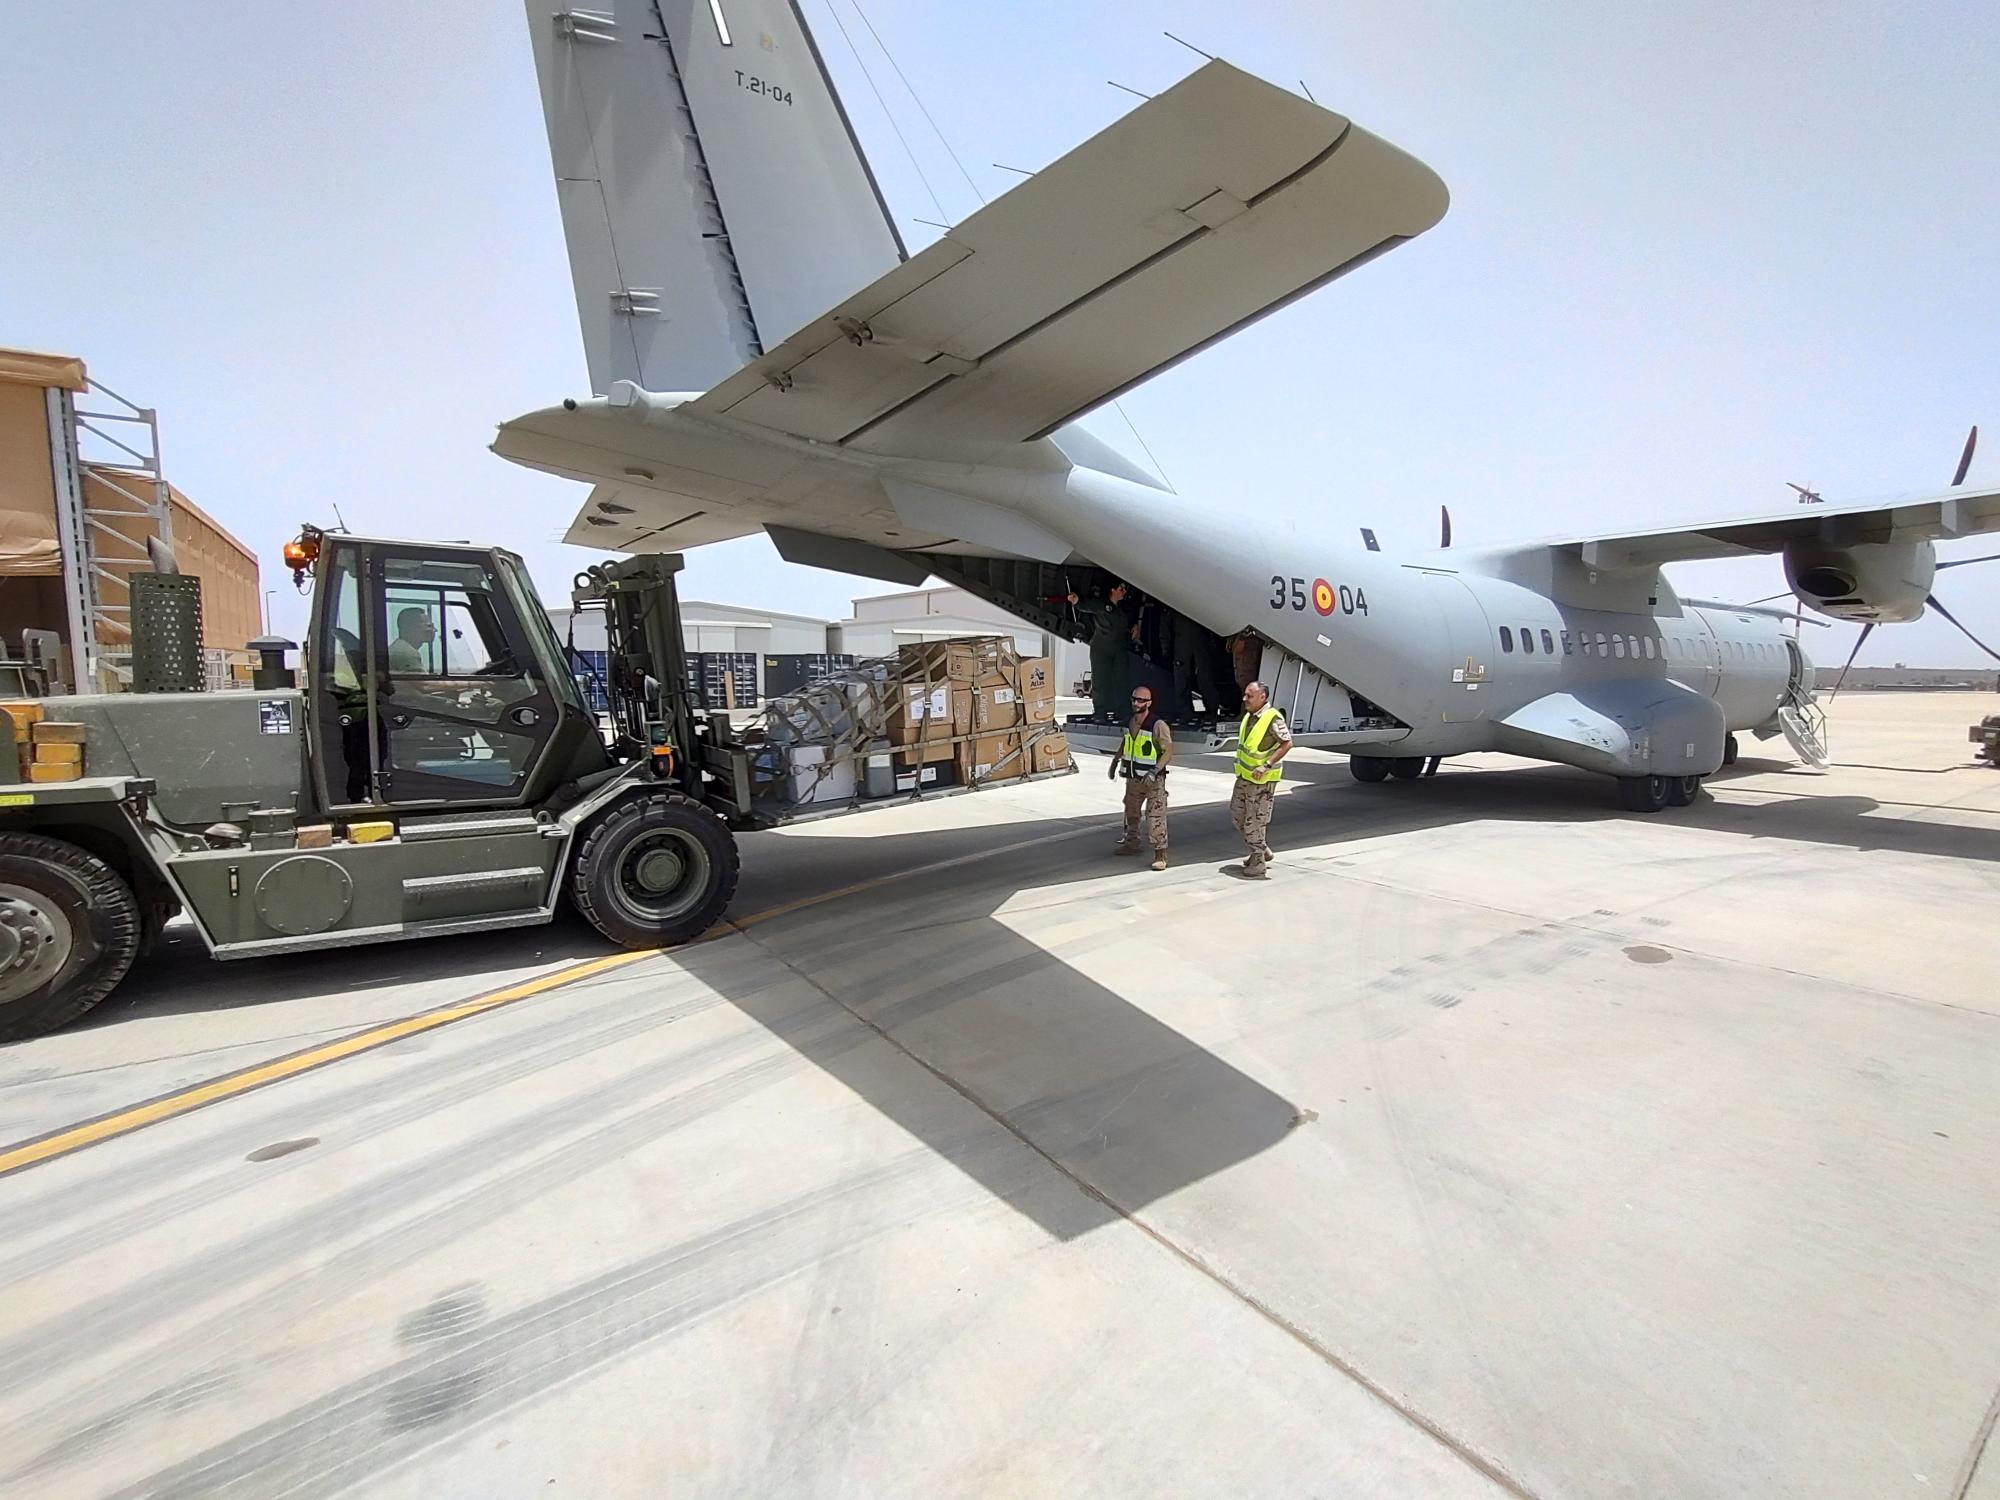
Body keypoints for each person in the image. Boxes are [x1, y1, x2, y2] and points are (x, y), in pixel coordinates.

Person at [1229, 679, 1293, 879]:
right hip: (1245, 776)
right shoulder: (1250, 716)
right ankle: (1261, 849)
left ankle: (1258, 861)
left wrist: (1266, 765)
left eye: (1249, 695)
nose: (1244, 698)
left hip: (1262, 781)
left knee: (1255, 821)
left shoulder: (1272, 718)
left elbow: (1287, 743)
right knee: (1237, 815)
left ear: (1262, 697)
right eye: (1245, 694)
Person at [1112, 683, 1172, 870]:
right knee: (1131, 811)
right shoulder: (1131, 722)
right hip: (1134, 778)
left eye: (1141, 700)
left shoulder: (1157, 725)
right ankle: (1132, 843)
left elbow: (1168, 751)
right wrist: (1115, 761)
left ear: (1149, 703)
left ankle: (1161, 854)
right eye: (1134, 699)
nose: (1136, 703)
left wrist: (1155, 771)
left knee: (1155, 816)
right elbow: (1126, 742)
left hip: (1152, 780)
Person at [1069, 582, 1134, 721]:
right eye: (1120, 589)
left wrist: (1135, 627)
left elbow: (1130, 622)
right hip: (1101, 649)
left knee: (1122, 681)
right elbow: (1085, 606)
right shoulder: (1102, 605)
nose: (1123, 592)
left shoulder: (1124, 608)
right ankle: (1100, 712)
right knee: (1100, 681)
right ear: (1112, 590)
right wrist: (1076, 601)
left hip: (1119, 648)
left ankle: (1123, 711)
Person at [388, 606, 437, 674]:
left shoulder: (401, 648)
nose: (435, 630)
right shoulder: (406, 653)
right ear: (412, 629)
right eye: (429, 626)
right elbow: (422, 682)